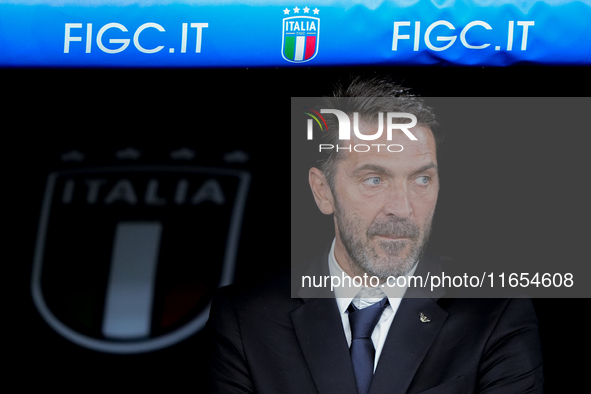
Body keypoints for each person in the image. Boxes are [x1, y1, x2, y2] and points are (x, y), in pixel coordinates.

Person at [206, 77, 544, 394]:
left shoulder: (495, 311)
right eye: (374, 179)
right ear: (323, 191)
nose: (403, 208)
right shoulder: (247, 318)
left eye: (421, 179)